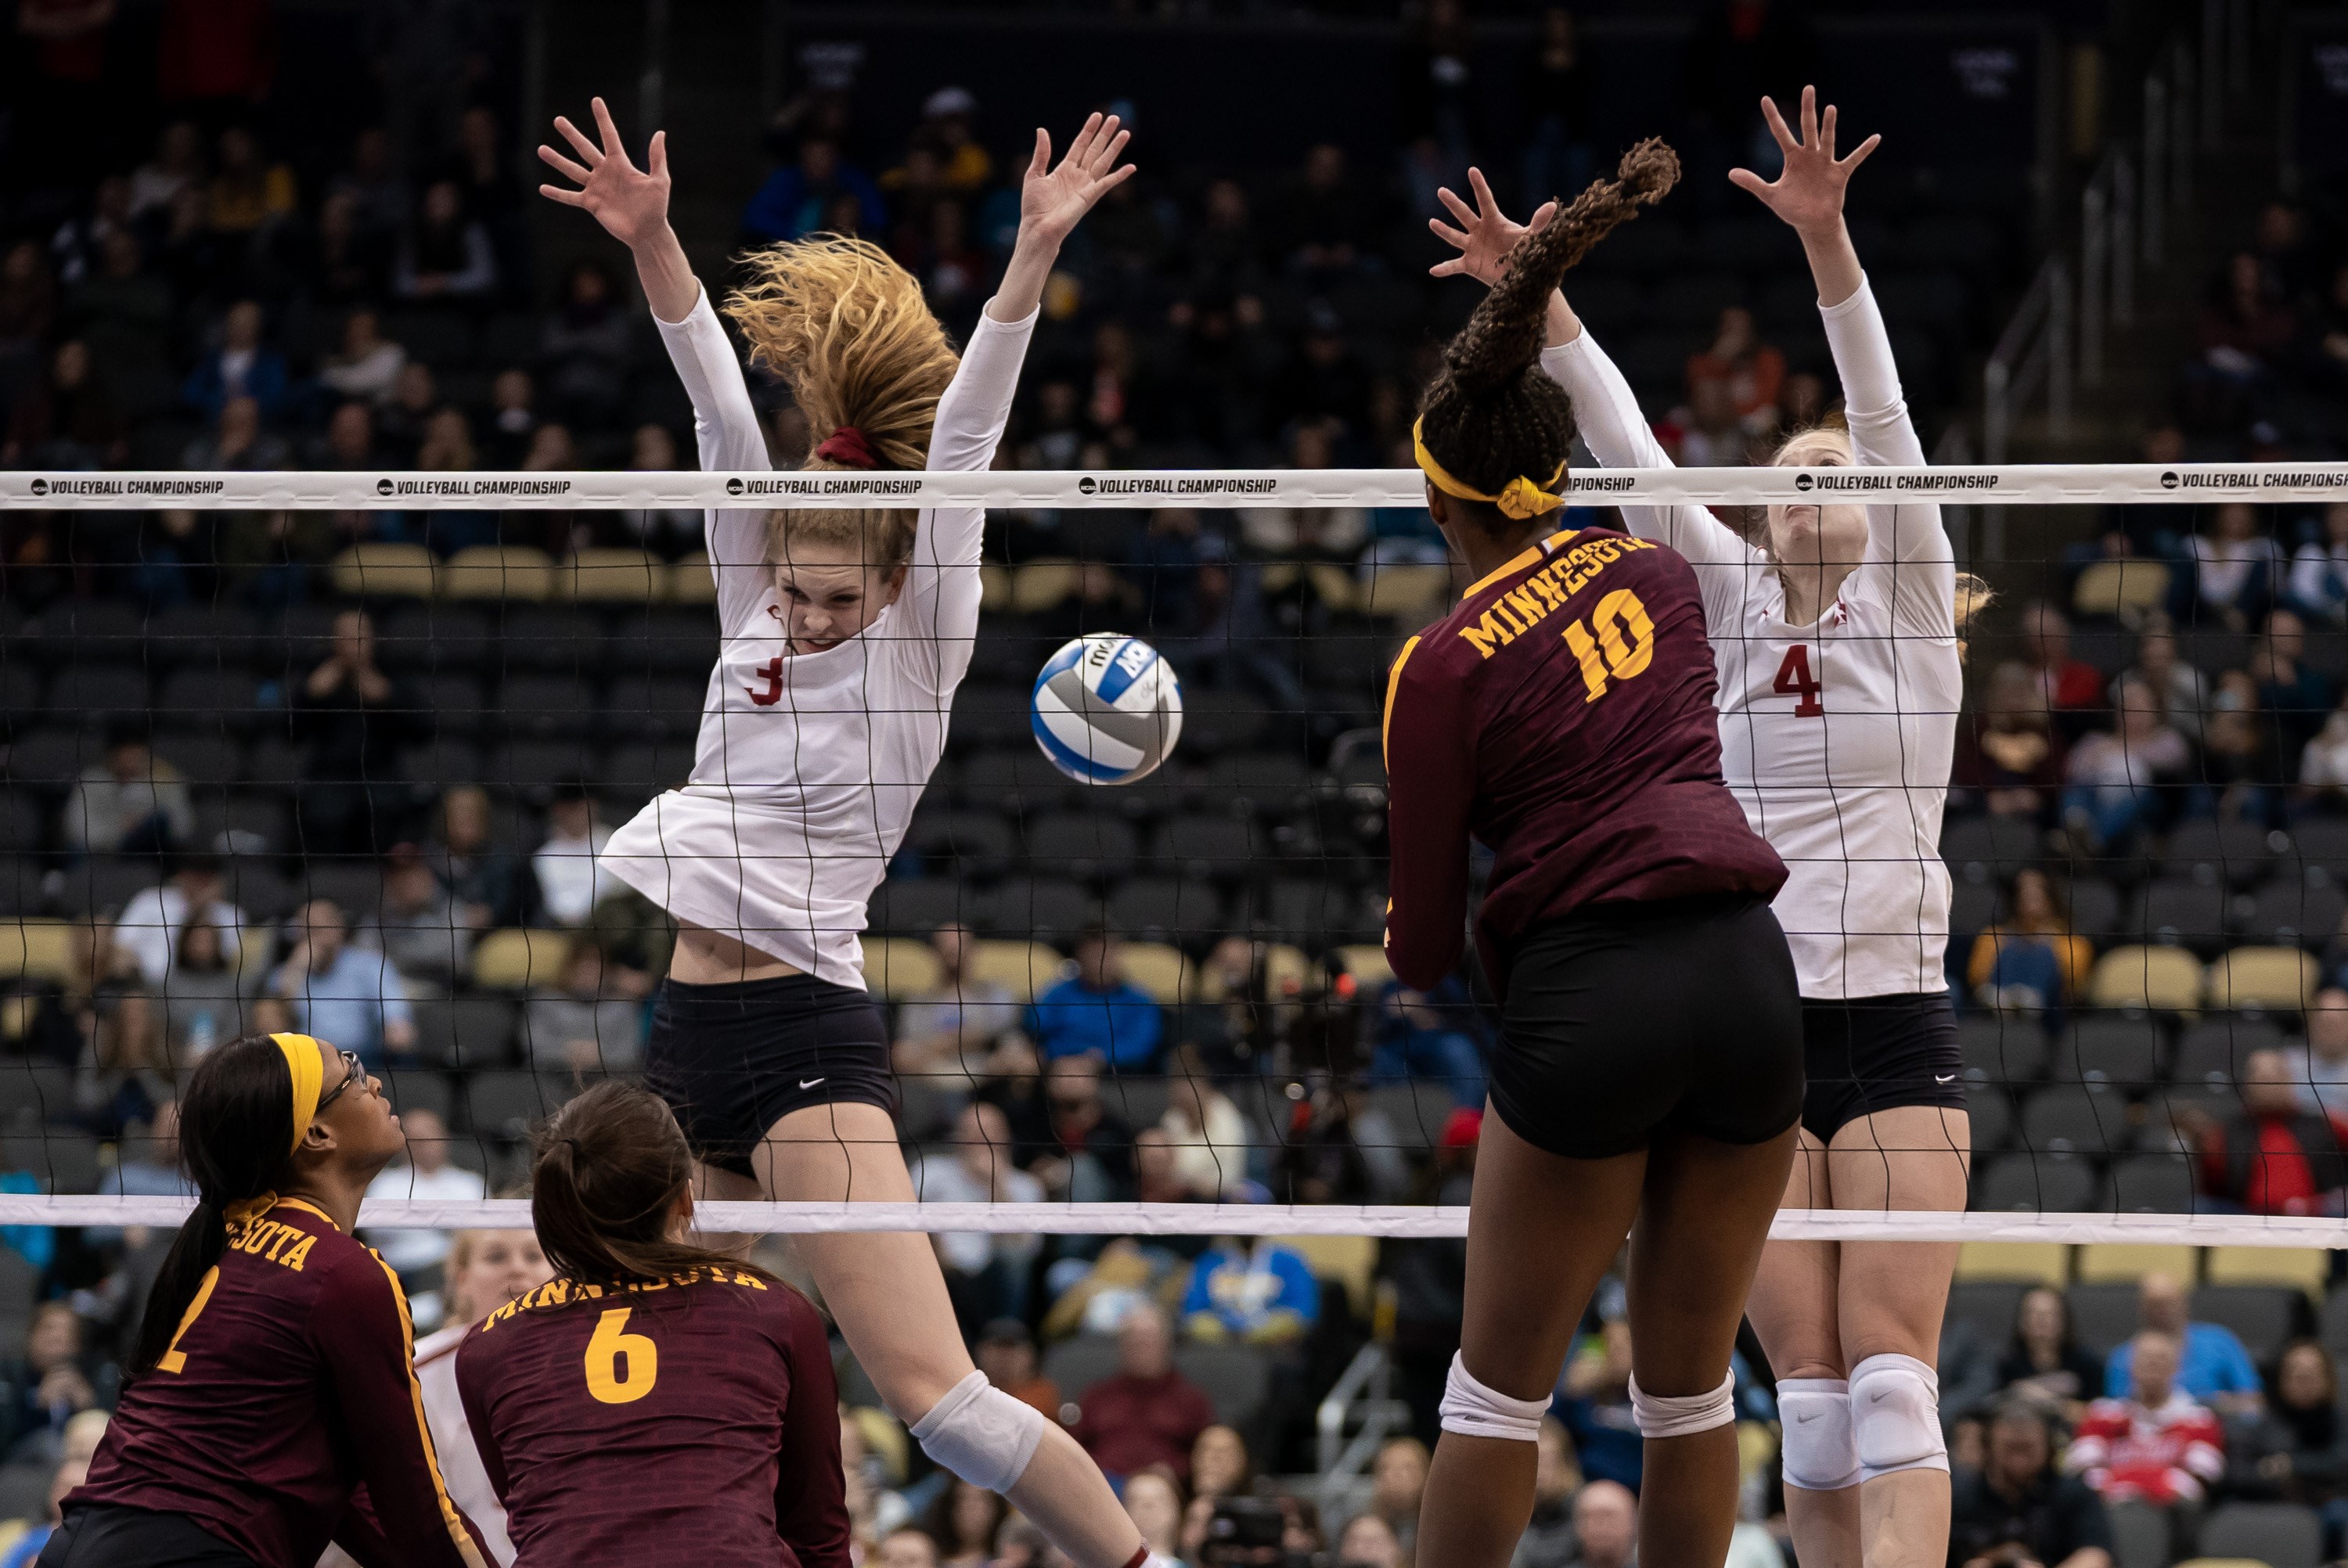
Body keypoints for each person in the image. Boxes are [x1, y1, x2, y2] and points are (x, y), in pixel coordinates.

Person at [537, 94, 1158, 1568]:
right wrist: (653, 241)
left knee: (936, 1399)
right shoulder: (756, 577)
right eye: (796, 591)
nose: (808, 614)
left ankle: (1142, 1560)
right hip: (683, 1030)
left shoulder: (920, 631)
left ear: (887, 585)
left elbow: (972, 431)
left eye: (832, 598)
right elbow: (715, 407)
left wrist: (1032, 254)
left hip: (806, 1038)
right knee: (671, 1379)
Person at [1439, 86, 1986, 1568]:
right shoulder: (1721, 601)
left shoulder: (1918, 612)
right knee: (1805, 1396)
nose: (1815, 484)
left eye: (1834, 478)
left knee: (1891, 1373)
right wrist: (1536, 287)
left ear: (1873, 510)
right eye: (1792, 474)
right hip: (1756, 1026)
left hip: (1888, 1022)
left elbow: (1880, 417)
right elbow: (1619, 439)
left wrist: (1831, 249)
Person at [1392, 139, 1800, 1568]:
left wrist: (1407, 953)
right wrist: (1545, 289)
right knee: (1689, 1383)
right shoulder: (1665, 573)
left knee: (1493, 1388)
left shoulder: (1436, 666)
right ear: (1553, 478)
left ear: (1438, 502)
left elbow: (1428, 945)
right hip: (1754, 978)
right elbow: (1638, 460)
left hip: (1595, 992)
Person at [51, 1032, 492, 1566]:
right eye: (350, 1073)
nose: (373, 1081)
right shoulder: (342, 1274)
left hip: (84, 1542)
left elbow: (351, 1494)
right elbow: (414, 1503)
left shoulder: (226, 1245)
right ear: (318, 1133)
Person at [452, 1083, 848, 1568]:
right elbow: (818, 1533)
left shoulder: (488, 1346)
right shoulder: (775, 1311)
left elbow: (530, 1512)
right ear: (685, 1198)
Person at [408, 1228, 555, 1568]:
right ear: (462, 1280)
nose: (517, 1270)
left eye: (533, 1256)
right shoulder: (418, 1373)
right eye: (496, 1257)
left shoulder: (594, 1367)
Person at [2067, 1331, 2225, 1519]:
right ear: (2131, 1365)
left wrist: (2122, 1483)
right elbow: (2084, 1475)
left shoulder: (2200, 1420)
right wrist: (2141, 1486)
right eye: (2145, 1359)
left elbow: (2194, 1484)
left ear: (2176, 1366)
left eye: (2161, 1359)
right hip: (2109, 1516)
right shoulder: (2101, 1415)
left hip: (2172, 1519)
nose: (2152, 1365)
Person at [1948, 1401, 2114, 1568]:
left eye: (2028, 1449)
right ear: (1989, 1446)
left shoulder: (2074, 1493)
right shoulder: (1959, 1495)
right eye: (2010, 1448)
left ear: (2049, 1448)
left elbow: (2096, 1555)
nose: (2019, 1460)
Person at [1069, 1305, 1218, 1483]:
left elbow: (1206, 1457)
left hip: (1166, 1493)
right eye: (1134, 1342)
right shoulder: (1096, 1397)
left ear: (1166, 1344)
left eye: (1149, 1341)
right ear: (1122, 1346)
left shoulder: (1190, 1400)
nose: (1142, 1349)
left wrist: (1177, 1473)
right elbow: (1074, 1451)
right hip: (1104, 1490)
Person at [2193, 1048, 2348, 1217]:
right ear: (2247, 1084)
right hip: (2245, 1217)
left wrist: (2314, 1205)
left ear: (2290, 1079)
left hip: (2318, 1217)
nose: (2267, 1081)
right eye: (2259, 1075)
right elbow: (2213, 1188)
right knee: (2201, 1207)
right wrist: (2202, 1147)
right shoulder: (2225, 1132)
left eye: (2276, 1073)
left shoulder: (2326, 1123)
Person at [268, 899, 416, 1066]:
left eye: (323, 925)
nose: (318, 935)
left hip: (362, 1062)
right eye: (309, 927)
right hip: (308, 1064)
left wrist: (395, 1033)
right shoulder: (286, 974)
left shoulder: (370, 965)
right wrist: (295, 972)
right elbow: (271, 1030)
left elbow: (397, 1021)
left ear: (340, 927)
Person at [361, 1108, 486, 1293]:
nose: (423, 1142)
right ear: (403, 1141)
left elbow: (480, 1232)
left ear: (444, 1138)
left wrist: (417, 1218)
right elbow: (376, 1230)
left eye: (429, 1134)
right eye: (415, 1136)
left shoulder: (470, 1183)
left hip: (456, 1276)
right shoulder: (384, 1183)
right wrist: (446, 1222)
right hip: (400, 1273)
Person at [2102, 1272, 2263, 1417]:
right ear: (2142, 1308)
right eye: (2155, 1304)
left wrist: (2210, 1406)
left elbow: (2253, 1403)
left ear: (2185, 1303)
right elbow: (2115, 1411)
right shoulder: (2123, 1356)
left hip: (2215, 1431)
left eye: (2170, 1302)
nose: (2163, 1311)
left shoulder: (2220, 1341)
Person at [891, 923, 1019, 1081]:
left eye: (960, 944)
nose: (953, 950)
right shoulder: (917, 1000)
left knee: (1020, 1055)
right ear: (934, 953)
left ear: (974, 950)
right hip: (931, 1074)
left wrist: (951, 1042)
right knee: (901, 1054)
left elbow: (1004, 1029)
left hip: (987, 1072)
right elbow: (909, 1043)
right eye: (946, 945)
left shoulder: (995, 993)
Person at [1965, 869, 2094, 1018]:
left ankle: (2029, 1000)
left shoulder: (2070, 941)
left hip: (2047, 1007)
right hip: (1999, 1004)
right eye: (2024, 894)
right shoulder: (1993, 936)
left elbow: (2075, 982)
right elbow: (1976, 978)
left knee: (2042, 952)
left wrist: (2047, 939)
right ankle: (2005, 999)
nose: (2030, 901)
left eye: (2037, 894)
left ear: (2050, 899)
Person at [1028, 931, 1164, 1070]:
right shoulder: (1057, 994)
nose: (1101, 962)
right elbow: (1036, 1033)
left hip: (1120, 1072)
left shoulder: (1139, 999)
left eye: (1107, 955)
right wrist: (1066, 1055)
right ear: (1080, 956)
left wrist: (1101, 1057)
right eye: (1094, 955)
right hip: (1062, 1064)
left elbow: (1143, 1044)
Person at [113, 854, 247, 988]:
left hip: (202, 989)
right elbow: (119, 944)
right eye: (195, 874)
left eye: (206, 876)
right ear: (181, 875)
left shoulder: (232, 914)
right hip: (144, 986)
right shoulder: (150, 900)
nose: (199, 882)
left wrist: (200, 908)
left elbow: (225, 960)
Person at [61, 727, 190, 857]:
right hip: (101, 853)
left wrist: (142, 822)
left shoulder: (163, 780)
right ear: (112, 754)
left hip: (149, 853)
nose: (131, 758)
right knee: (77, 850)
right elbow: (77, 829)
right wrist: (120, 831)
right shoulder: (91, 781)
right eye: (125, 752)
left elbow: (183, 828)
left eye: (136, 751)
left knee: (160, 819)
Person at [1179, 1238, 1319, 1346]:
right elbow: (1192, 1312)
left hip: (1272, 1348)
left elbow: (1302, 1312)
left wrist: (1260, 1333)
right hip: (1219, 1348)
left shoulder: (1289, 1261)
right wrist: (1224, 1333)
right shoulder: (1209, 1262)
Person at [1997, 1286, 2105, 1420]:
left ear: (2065, 1320)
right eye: (2033, 1313)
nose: (2041, 1321)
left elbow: (2099, 1414)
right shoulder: (2006, 1365)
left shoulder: (2088, 1364)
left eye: (2049, 1314)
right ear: (2021, 1321)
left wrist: (2045, 1399)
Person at [2288, 988, 2348, 1120]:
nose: (2332, 1030)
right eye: (2325, 1023)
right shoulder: (2285, 1066)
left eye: (2338, 1023)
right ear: (2311, 1024)